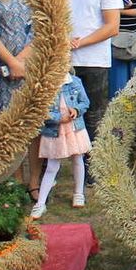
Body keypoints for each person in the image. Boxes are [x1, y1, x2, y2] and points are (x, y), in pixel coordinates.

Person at [59, 0, 122, 143]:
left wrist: (80, 43)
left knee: (94, 116)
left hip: (94, 61)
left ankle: (94, 171)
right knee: (64, 114)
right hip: (65, 60)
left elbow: (112, 26)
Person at [31, 73, 92, 217]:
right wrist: (58, 118)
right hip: (55, 131)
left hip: (74, 128)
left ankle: (79, 193)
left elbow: (84, 102)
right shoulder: (45, 85)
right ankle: (40, 203)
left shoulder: (74, 81)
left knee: (78, 159)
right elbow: (41, 111)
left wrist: (76, 110)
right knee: (52, 166)